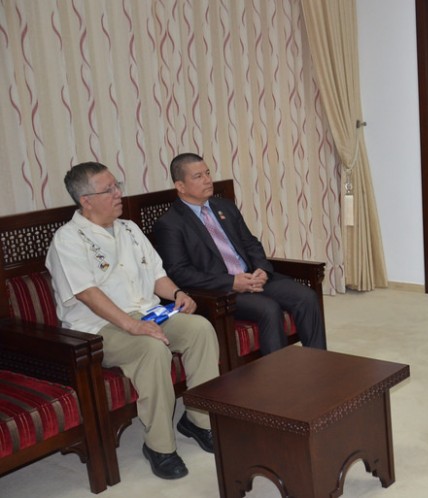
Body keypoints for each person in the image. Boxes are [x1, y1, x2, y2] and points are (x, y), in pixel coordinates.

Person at [46, 162, 219, 480]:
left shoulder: (129, 229)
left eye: (117, 185)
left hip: (147, 312)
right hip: (97, 329)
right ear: (86, 200)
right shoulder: (68, 240)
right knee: (151, 349)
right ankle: (159, 446)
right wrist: (133, 326)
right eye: (109, 189)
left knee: (200, 329)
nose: (118, 193)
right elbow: (87, 294)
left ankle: (199, 420)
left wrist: (178, 294)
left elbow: (157, 276)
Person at [152, 153, 326, 355]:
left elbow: (250, 243)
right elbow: (180, 273)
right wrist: (232, 282)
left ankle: (318, 363)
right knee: (269, 309)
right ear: (180, 186)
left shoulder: (224, 207)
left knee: (306, 297)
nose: (208, 180)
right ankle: (277, 373)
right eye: (198, 176)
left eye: (207, 173)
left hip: (252, 277)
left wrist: (262, 269)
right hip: (221, 292)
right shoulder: (170, 224)